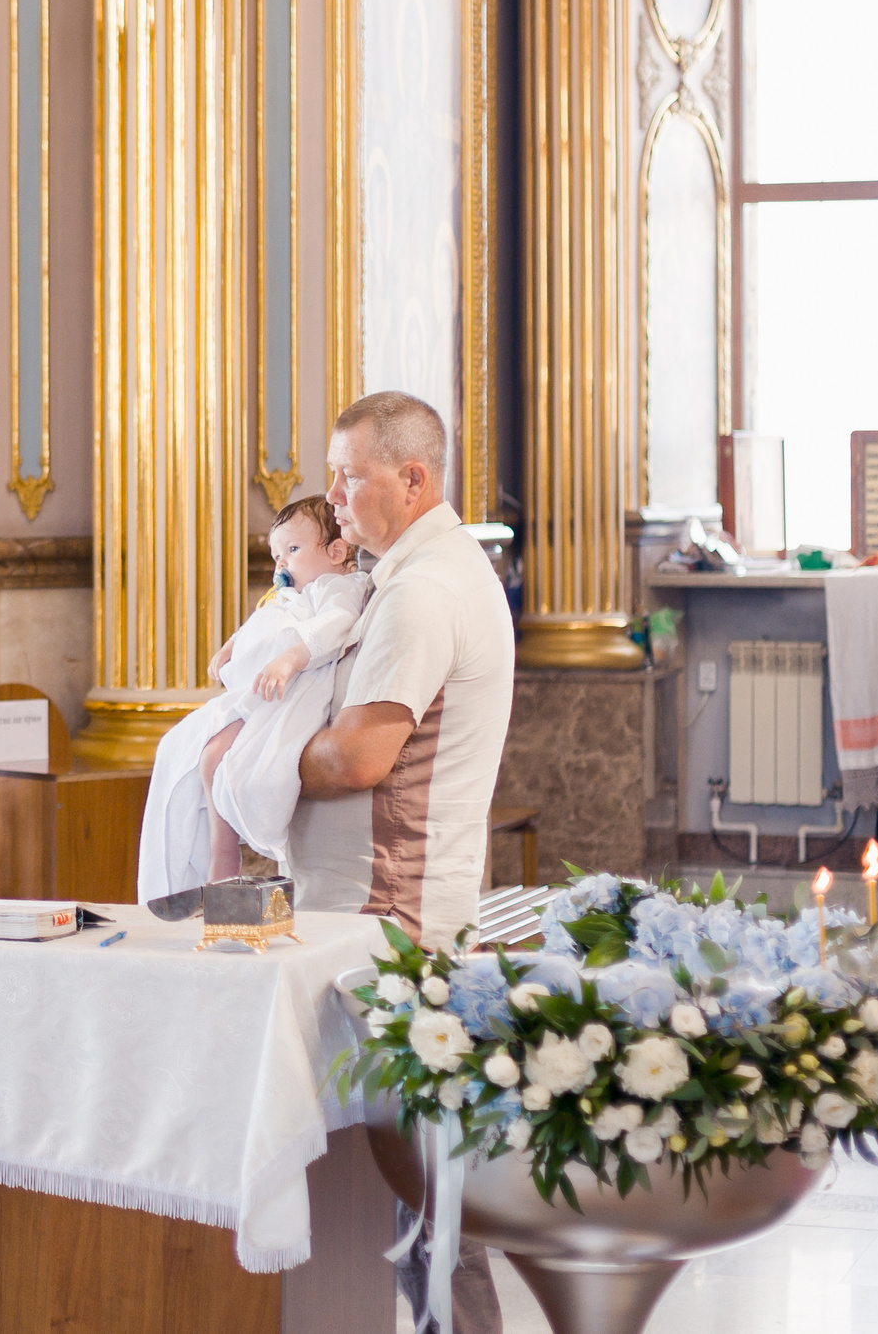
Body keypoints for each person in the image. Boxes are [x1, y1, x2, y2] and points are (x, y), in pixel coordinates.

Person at [294, 389, 513, 1334]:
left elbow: (359, 757)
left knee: (426, 1200)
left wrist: (255, 759)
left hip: (395, 922)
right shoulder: (424, 572)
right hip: (387, 913)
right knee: (406, 1192)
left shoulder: (425, 590)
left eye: (350, 475)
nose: (333, 496)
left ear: (413, 477)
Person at [136, 495, 372, 897]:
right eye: (277, 555)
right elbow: (265, 621)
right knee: (192, 752)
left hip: (292, 692)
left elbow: (336, 624)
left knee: (215, 758)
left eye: (292, 551)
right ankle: (213, 857)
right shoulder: (294, 592)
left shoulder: (339, 586)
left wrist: (290, 660)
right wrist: (233, 646)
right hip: (263, 694)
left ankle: (223, 858)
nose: (281, 565)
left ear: (336, 551)